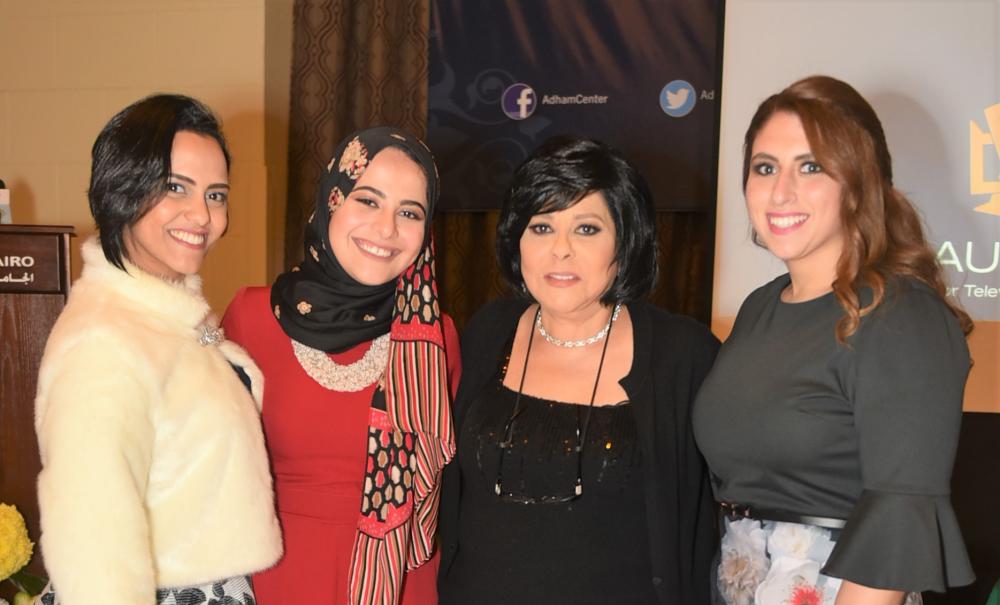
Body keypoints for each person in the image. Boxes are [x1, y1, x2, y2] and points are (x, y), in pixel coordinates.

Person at [692, 75, 975, 605]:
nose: (781, 192)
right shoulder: (760, 307)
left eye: (812, 167)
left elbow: (900, 513)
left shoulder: (900, 314)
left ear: (858, 183)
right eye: (765, 167)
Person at [438, 136, 720, 605]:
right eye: (542, 228)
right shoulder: (487, 332)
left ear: (626, 240)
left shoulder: (683, 356)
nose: (560, 250)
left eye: (586, 229)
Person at [34, 95, 282, 605]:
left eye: (216, 195)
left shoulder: (167, 313)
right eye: (175, 188)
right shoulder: (104, 339)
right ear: (123, 187)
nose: (203, 214)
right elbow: (91, 541)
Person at [221, 126, 460, 604]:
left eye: (409, 211)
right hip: (276, 579)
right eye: (368, 200)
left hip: (399, 584)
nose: (387, 228)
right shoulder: (251, 318)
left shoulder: (438, 339)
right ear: (332, 200)